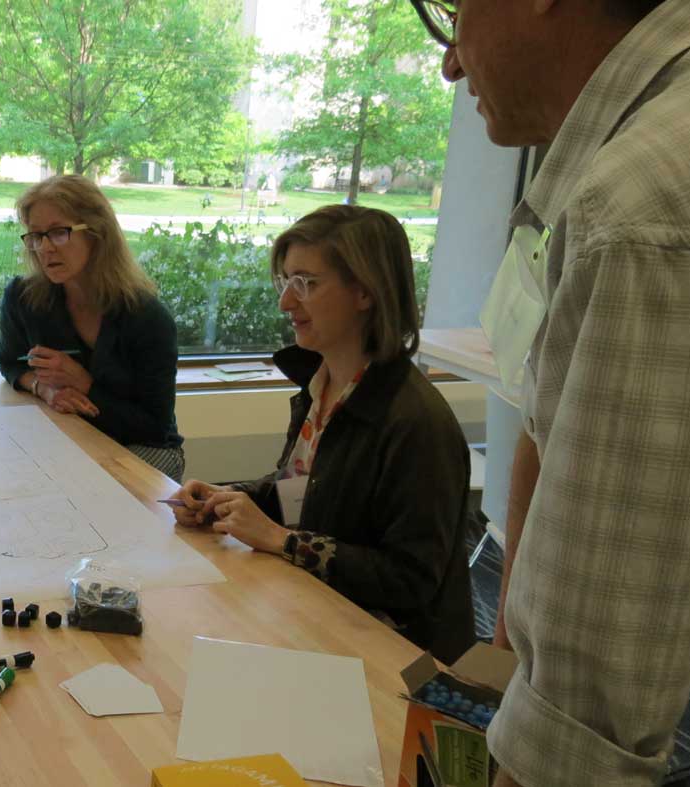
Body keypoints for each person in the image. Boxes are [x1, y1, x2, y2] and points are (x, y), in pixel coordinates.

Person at [409, 0, 690, 784]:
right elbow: (547, 424)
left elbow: (588, 714)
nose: (451, 60)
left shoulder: (647, 197)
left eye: (455, 11)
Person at [170, 205, 475, 663]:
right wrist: (229, 499)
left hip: (390, 654)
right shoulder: (322, 385)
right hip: (317, 611)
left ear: (366, 292)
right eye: (286, 282)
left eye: (306, 284)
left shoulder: (417, 423)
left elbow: (411, 581)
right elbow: (305, 490)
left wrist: (281, 540)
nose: (286, 303)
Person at [0, 174, 185, 480]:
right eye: (35, 236)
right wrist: (42, 388)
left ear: (97, 234)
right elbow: (9, 362)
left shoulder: (146, 317)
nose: (44, 249)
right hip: (70, 434)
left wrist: (84, 384)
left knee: (79, 486)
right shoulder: (24, 298)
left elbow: (154, 427)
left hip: (144, 448)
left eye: (58, 233)